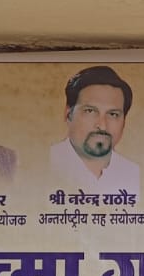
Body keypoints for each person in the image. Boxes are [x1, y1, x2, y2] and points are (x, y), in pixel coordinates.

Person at [48, 66, 139, 194]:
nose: (102, 125)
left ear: (124, 121)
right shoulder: (44, 164)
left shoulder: (133, 174)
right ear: (68, 114)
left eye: (113, 114)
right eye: (90, 111)